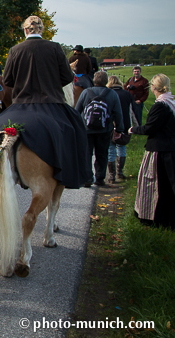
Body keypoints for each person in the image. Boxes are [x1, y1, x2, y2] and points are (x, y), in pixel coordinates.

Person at [0, 16, 91, 190]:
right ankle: (81, 174)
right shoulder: (55, 48)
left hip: (21, 104)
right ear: (41, 30)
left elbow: (8, 80)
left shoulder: (15, 50)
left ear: (25, 30)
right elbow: (68, 77)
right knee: (77, 127)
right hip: (52, 103)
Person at [129, 74, 175, 229]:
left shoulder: (160, 105)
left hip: (159, 151)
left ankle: (154, 218)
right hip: (169, 148)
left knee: (154, 185)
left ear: (154, 87)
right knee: (167, 185)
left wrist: (133, 129)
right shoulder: (171, 102)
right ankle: (168, 217)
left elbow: (150, 128)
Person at [75, 71, 124, 186]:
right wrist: (119, 129)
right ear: (106, 81)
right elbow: (118, 113)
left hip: (87, 129)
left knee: (87, 154)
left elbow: (77, 111)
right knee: (102, 154)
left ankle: (87, 178)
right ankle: (100, 178)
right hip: (104, 129)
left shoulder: (86, 92)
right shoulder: (112, 94)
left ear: (94, 80)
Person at [106, 75, 138, 184]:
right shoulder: (127, 94)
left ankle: (111, 176)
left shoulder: (108, 94)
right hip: (125, 125)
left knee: (110, 150)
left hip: (110, 126)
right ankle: (120, 172)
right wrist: (135, 125)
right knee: (121, 148)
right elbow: (131, 111)